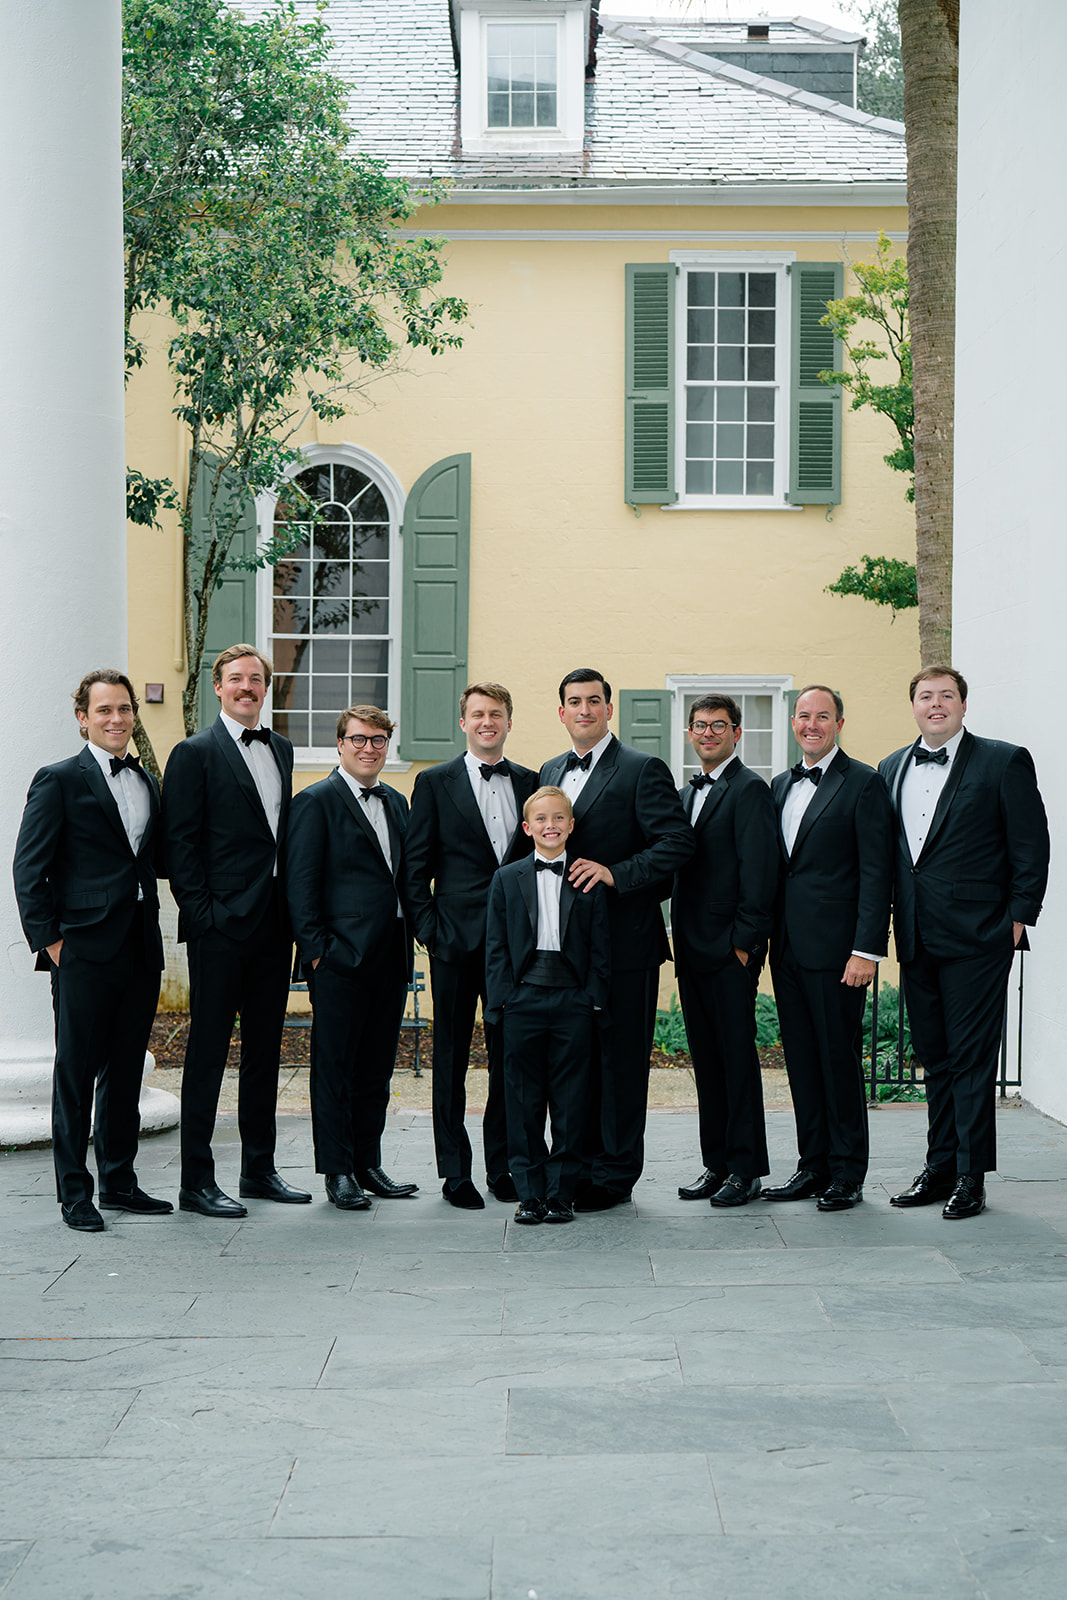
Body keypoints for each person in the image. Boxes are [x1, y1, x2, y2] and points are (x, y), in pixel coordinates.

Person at [880, 667, 1049, 1220]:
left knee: (972, 1058)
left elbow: (1031, 842)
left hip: (980, 934)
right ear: (913, 706)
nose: (936, 705)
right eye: (926, 697)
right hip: (916, 934)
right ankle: (940, 1165)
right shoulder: (890, 767)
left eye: (946, 696)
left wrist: (1020, 915)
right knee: (935, 1057)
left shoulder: (1003, 760)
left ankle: (971, 1176)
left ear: (963, 705)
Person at [12, 670, 170, 1231]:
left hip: (139, 948)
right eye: (104, 710)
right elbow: (29, 869)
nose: (116, 719)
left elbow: (151, 861)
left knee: (125, 1072)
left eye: (124, 709)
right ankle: (73, 1193)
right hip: (80, 949)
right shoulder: (57, 780)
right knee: (75, 1075)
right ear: (83, 716)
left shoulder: (148, 782)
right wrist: (51, 943)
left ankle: (120, 1182)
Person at [162, 644, 311, 1217]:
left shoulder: (281, 748)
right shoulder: (193, 752)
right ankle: (196, 1181)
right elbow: (180, 844)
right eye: (236, 679)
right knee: (206, 1053)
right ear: (218, 688)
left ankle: (258, 1169)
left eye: (256, 679)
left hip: (274, 926)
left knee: (266, 1052)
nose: (247, 687)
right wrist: (204, 917)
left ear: (265, 688)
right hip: (220, 927)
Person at [539, 669, 694, 1209]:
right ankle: (574, 1167)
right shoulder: (551, 769)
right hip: (566, 948)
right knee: (575, 1064)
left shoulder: (642, 769)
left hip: (627, 944)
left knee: (621, 1063)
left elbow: (677, 843)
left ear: (609, 710)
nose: (584, 709)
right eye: (574, 701)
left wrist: (615, 873)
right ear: (561, 712)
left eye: (594, 701)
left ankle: (614, 1175)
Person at [403, 681, 537, 1209]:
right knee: (451, 1059)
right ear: (464, 723)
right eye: (478, 714)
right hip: (454, 944)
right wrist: (432, 932)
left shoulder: (530, 781)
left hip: (517, 949)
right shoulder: (433, 783)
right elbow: (415, 869)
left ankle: (502, 1166)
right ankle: (455, 1172)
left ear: (508, 721)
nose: (487, 722)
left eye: (496, 714)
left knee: (511, 1059)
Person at [764, 685, 893, 1212]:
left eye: (822, 716)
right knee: (801, 1061)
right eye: (803, 716)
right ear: (793, 723)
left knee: (837, 1061)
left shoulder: (863, 783)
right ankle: (812, 1165)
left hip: (840, 953)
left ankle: (846, 1172)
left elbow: (876, 871)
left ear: (840, 722)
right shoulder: (778, 784)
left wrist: (866, 949)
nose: (811, 724)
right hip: (788, 948)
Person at [286, 705, 416, 1209]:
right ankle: (338, 1171)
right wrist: (318, 954)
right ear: (340, 745)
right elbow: (300, 887)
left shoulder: (397, 802)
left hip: (389, 958)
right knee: (335, 1069)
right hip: (338, 961)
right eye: (359, 740)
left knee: (377, 1068)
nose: (369, 749)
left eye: (378, 740)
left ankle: (368, 1162)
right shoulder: (315, 802)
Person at [485, 787, 611, 1223]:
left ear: (571, 825)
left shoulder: (586, 878)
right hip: (522, 999)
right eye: (541, 819)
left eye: (559, 818)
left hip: (573, 999)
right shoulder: (507, 878)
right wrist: (501, 1003)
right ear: (527, 828)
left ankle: (561, 1194)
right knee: (522, 1101)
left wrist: (592, 1000)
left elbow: (600, 947)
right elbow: (496, 947)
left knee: (571, 1100)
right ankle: (530, 1193)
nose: (550, 825)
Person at [672, 695, 778, 1208]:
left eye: (718, 726)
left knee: (736, 1061)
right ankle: (715, 1163)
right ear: (690, 733)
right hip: (691, 949)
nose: (708, 733)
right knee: (706, 1062)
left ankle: (745, 1168)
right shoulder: (686, 792)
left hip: (729, 952)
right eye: (699, 725)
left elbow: (760, 874)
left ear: (738, 733)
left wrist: (743, 946)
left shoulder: (751, 790)